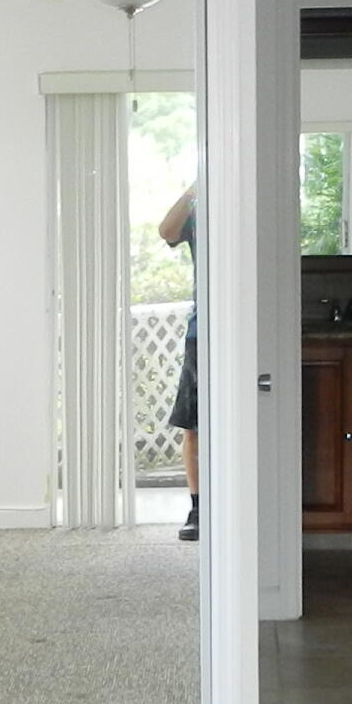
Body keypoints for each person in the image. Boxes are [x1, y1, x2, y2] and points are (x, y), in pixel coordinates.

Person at [159, 184, 198, 542]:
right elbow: (166, 231)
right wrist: (192, 190)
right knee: (193, 423)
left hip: (250, 332)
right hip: (202, 333)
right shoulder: (198, 211)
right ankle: (198, 508)